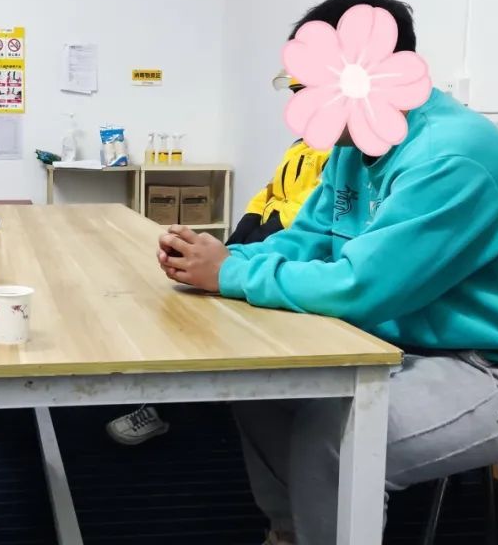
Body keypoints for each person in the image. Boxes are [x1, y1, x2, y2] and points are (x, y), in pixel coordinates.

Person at [155, 0, 498, 545]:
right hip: (414, 347)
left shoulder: (451, 157)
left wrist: (228, 275)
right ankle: (291, 532)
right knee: (258, 388)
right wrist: (220, 259)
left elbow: (360, 287)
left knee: (336, 437)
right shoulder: (355, 143)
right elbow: (311, 238)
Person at [106, 76, 330, 446]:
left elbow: (309, 218)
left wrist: (244, 252)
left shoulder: (339, 150)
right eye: (293, 95)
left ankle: (181, 411)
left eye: (301, 93)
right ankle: (168, 402)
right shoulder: (299, 146)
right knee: (193, 310)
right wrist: (239, 237)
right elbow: (269, 194)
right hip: (265, 240)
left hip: (287, 251)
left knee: (219, 328)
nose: (297, 104)